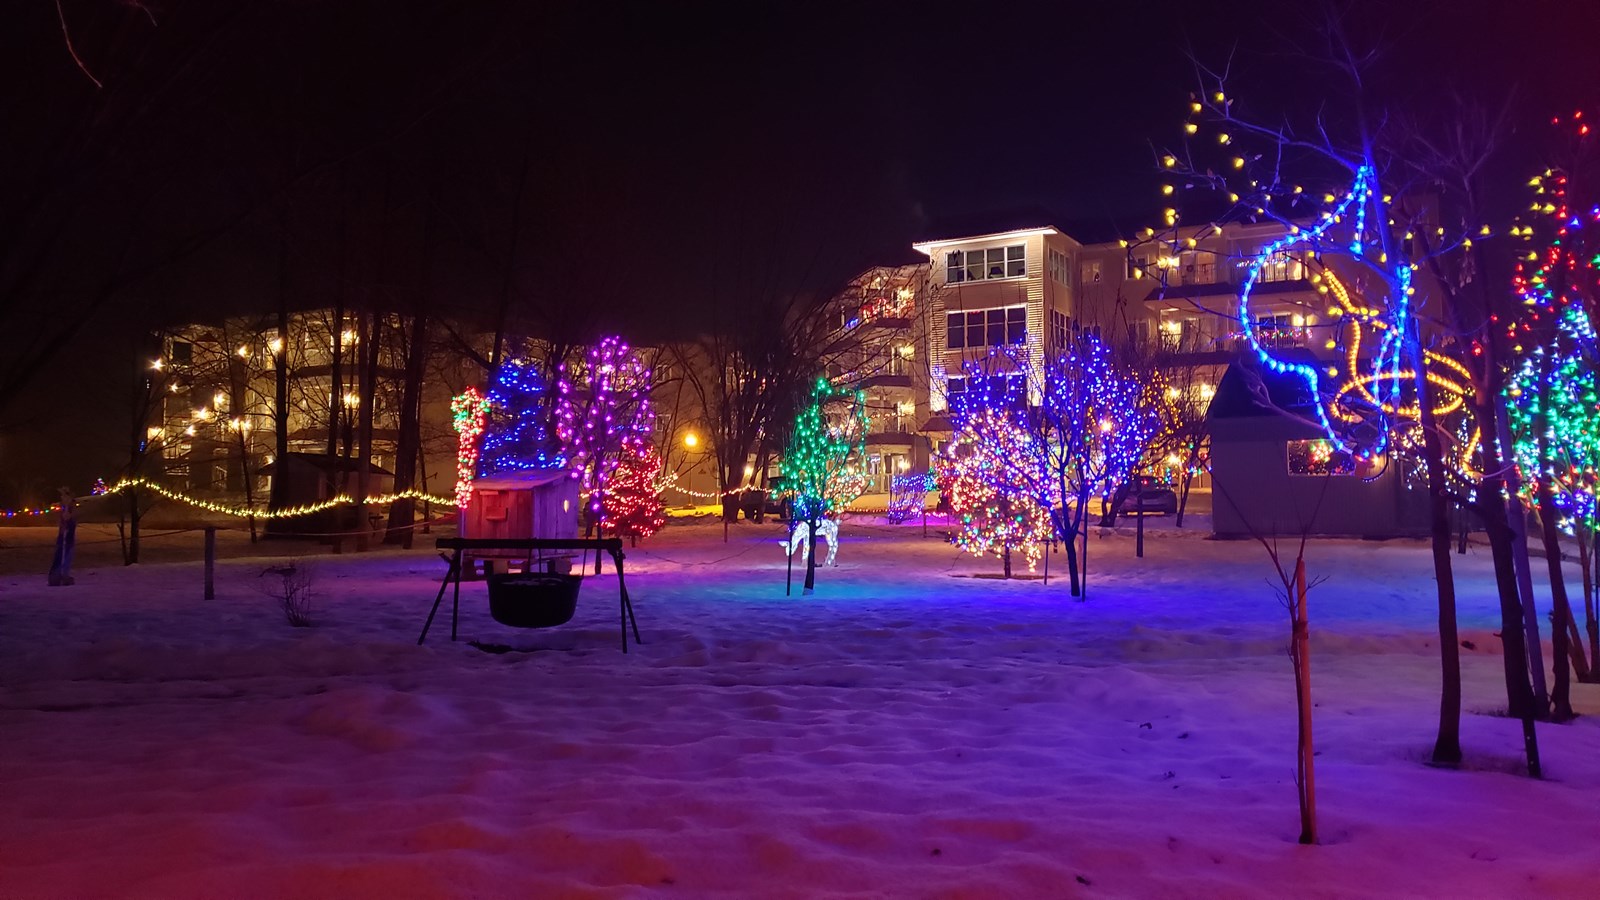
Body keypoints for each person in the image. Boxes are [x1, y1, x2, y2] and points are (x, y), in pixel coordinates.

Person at [47, 487, 77, 587]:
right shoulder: (65, 507)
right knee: (62, 553)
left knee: (67, 553)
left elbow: (69, 518)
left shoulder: (70, 506)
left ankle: (63, 574)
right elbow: (65, 518)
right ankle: (58, 575)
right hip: (64, 535)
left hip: (68, 535)